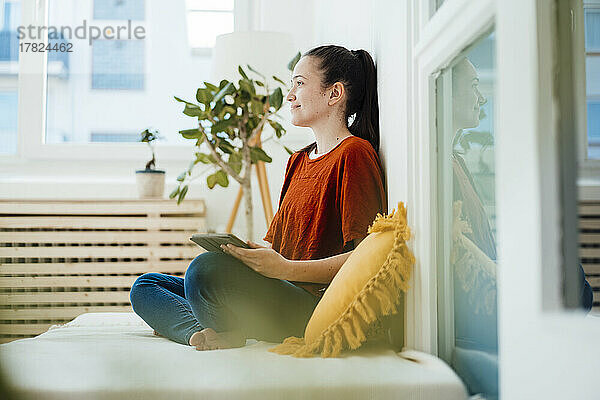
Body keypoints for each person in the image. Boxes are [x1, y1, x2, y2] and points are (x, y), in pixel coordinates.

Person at [129, 45, 387, 351]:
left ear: (334, 94)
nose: (290, 95)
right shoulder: (298, 160)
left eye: (300, 84)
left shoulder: (354, 154)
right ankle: (201, 333)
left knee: (204, 271)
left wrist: (284, 270)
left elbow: (367, 259)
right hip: (282, 287)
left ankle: (215, 325)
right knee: (146, 285)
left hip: (312, 304)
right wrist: (248, 255)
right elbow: (277, 245)